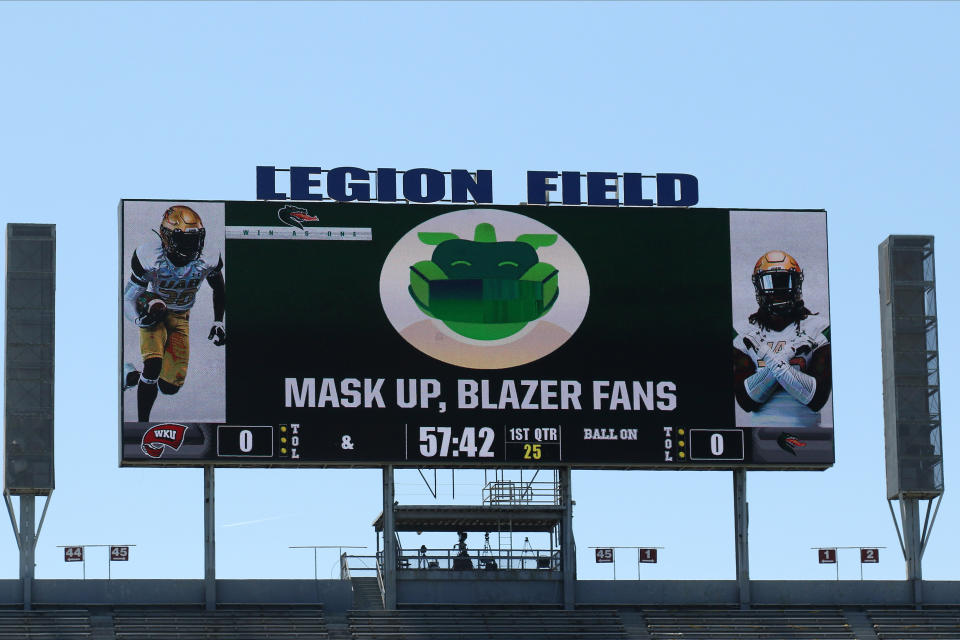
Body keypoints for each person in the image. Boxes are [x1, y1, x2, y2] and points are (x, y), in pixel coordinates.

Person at [122, 205, 225, 421]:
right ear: (166, 236)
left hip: (181, 316)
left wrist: (218, 322)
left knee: (169, 387)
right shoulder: (150, 256)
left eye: (195, 239)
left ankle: (130, 376)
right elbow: (129, 297)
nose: (192, 245)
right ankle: (143, 426)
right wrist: (140, 319)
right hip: (154, 310)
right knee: (153, 365)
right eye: (186, 240)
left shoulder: (208, 257)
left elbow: (219, 287)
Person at [733, 250, 831, 427]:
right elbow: (747, 401)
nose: (778, 290)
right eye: (771, 282)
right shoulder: (744, 332)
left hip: (810, 439)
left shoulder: (819, 328)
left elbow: (816, 398)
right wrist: (789, 352)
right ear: (759, 287)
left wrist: (764, 353)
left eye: (784, 281)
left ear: (797, 284)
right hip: (759, 442)